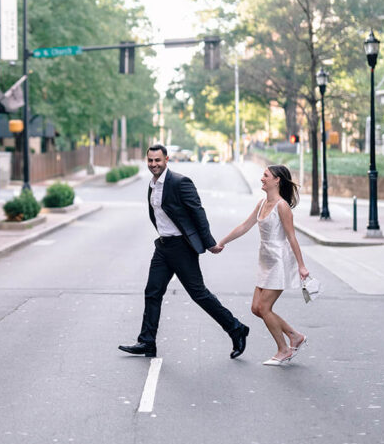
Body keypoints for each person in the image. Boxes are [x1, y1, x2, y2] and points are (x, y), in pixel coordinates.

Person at [118, 145, 250, 359]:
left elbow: (198, 213)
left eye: (157, 160)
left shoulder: (180, 182)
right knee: (152, 292)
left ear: (167, 160)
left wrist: (209, 243)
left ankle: (236, 328)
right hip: (163, 247)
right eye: (150, 160)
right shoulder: (152, 185)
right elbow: (157, 214)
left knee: (199, 294)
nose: (154, 164)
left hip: (181, 248)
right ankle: (147, 342)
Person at [208, 165, 310, 366]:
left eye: (266, 176)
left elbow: (291, 237)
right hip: (265, 260)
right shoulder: (262, 202)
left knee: (264, 307)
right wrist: (222, 242)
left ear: (277, 180)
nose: (262, 179)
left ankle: (283, 349)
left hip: (280, 261)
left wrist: (301, 266)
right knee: (256, 308)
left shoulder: (282, 206)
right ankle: (294, 335)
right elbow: (245, 226)